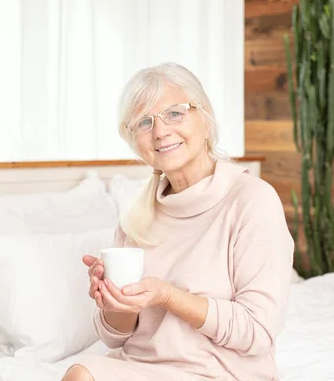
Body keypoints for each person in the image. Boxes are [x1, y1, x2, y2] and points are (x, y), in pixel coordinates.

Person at [62, 62, 294, 381]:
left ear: (206, 119)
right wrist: (115, 303)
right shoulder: (136, 216)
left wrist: (168, 296)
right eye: (145, 122)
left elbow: (257, 331)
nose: (160, 132)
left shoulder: (252, 199)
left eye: (175, 113)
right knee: (81, 373)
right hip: (142, 368)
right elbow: (114, 338)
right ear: (136, 144)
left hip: (222, 374)